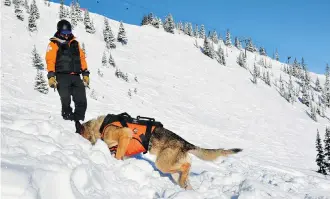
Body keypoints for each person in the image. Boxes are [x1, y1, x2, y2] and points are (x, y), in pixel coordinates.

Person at [45, 19, 90, 133]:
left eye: (68, 32)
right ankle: (67, 121)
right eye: (64, 33)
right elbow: (50, 60)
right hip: (62, 76)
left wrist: (85, 73)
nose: (66, 35)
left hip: (76, 76)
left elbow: (82, 58)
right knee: (65, 99)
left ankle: (78, 123)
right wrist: (51, 75)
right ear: (59, 32)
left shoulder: (75, 43)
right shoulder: (54, 43)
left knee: (81, 100)